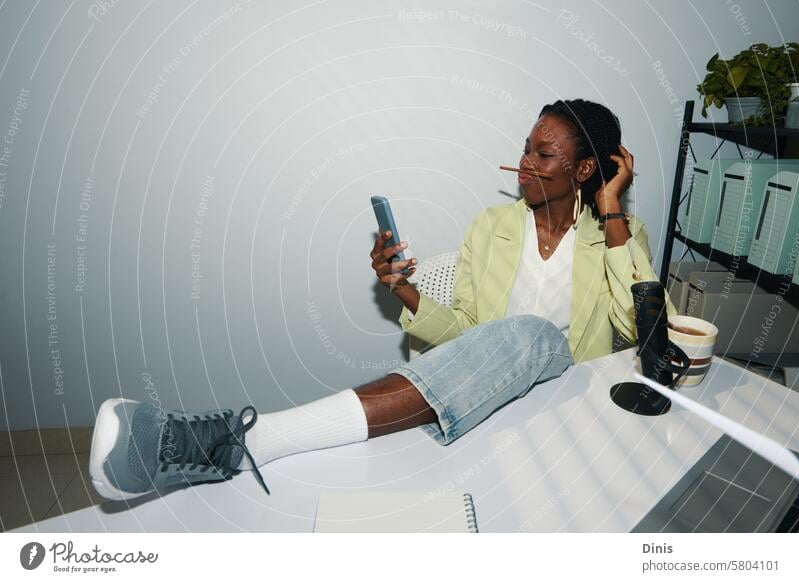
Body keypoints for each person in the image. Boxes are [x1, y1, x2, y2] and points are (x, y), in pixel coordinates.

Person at [88, 98, 676, 501]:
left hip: (563, 398)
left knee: (531, 333)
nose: (524, 162)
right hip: (492, 383)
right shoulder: (491, 227)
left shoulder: (619, 236)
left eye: (543, 155)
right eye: (525, 146)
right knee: (508, 336)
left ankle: (248, 440)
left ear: (583, 170)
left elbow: (644, 331)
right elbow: (467, 329)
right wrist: (403, 288)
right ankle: (239, 445)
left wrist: (612, 211)